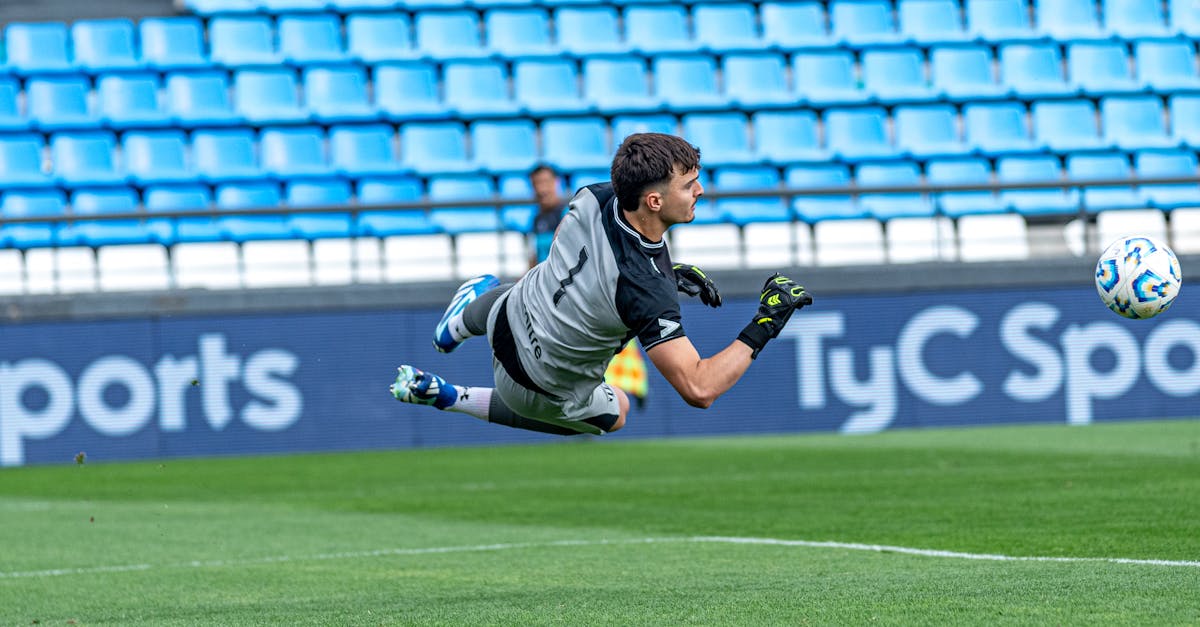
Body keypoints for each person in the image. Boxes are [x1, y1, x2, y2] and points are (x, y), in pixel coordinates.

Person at [390, 133, 813, 436]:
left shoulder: (593, 195)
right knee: (619, 412)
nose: (700, 190)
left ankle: (461, 321)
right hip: (531, 388)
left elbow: (589, 254)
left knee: (531, 285)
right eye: (689, 185)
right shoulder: (645, 289)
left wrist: (664, 273)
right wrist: (766, 322)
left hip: (507, 313)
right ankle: (448, 395)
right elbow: (699, 388)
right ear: (654, 201)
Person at [527, 164, 566, 270]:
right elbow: (534, 256)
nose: (542, 190)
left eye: (546, 182)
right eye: (536, 184)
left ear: (556, 182)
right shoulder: (536, 218)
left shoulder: (567, 215)